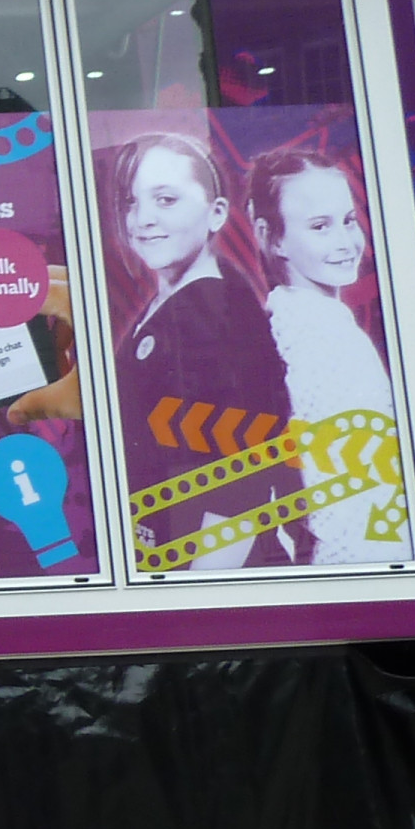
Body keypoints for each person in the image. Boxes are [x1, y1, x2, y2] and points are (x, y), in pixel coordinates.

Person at [106, 131, 298, 569]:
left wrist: (198, 594)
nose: (143, 219)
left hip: (205, 567)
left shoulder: (211, 313)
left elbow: (239, 478)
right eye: (132, 203)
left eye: (166, 200)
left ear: (215, 214)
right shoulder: (183, 302)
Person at [248, 144, 406, 564]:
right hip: (361, 564)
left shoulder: (306, 322)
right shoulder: (317, 335)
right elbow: (347, 494)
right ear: (272, 237)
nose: (345, 241)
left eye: (349, 221)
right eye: (319, 226)